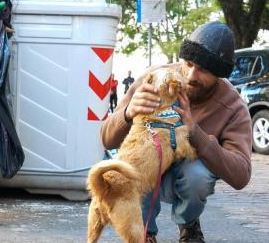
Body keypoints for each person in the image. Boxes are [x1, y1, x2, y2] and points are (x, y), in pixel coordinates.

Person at [100, 21, 252, 243]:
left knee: (197, 175)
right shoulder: (156, 78)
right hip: (146, 173)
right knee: (134, 161)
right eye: (188, 63)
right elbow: (105, 138)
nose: (191, 76)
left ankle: (189, 225)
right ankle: (144, 231)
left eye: (203, 70)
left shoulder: (233, 106)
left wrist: (195, 133)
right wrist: (128, 113)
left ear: (219, 74)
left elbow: (241, 175)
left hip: (184, 180)